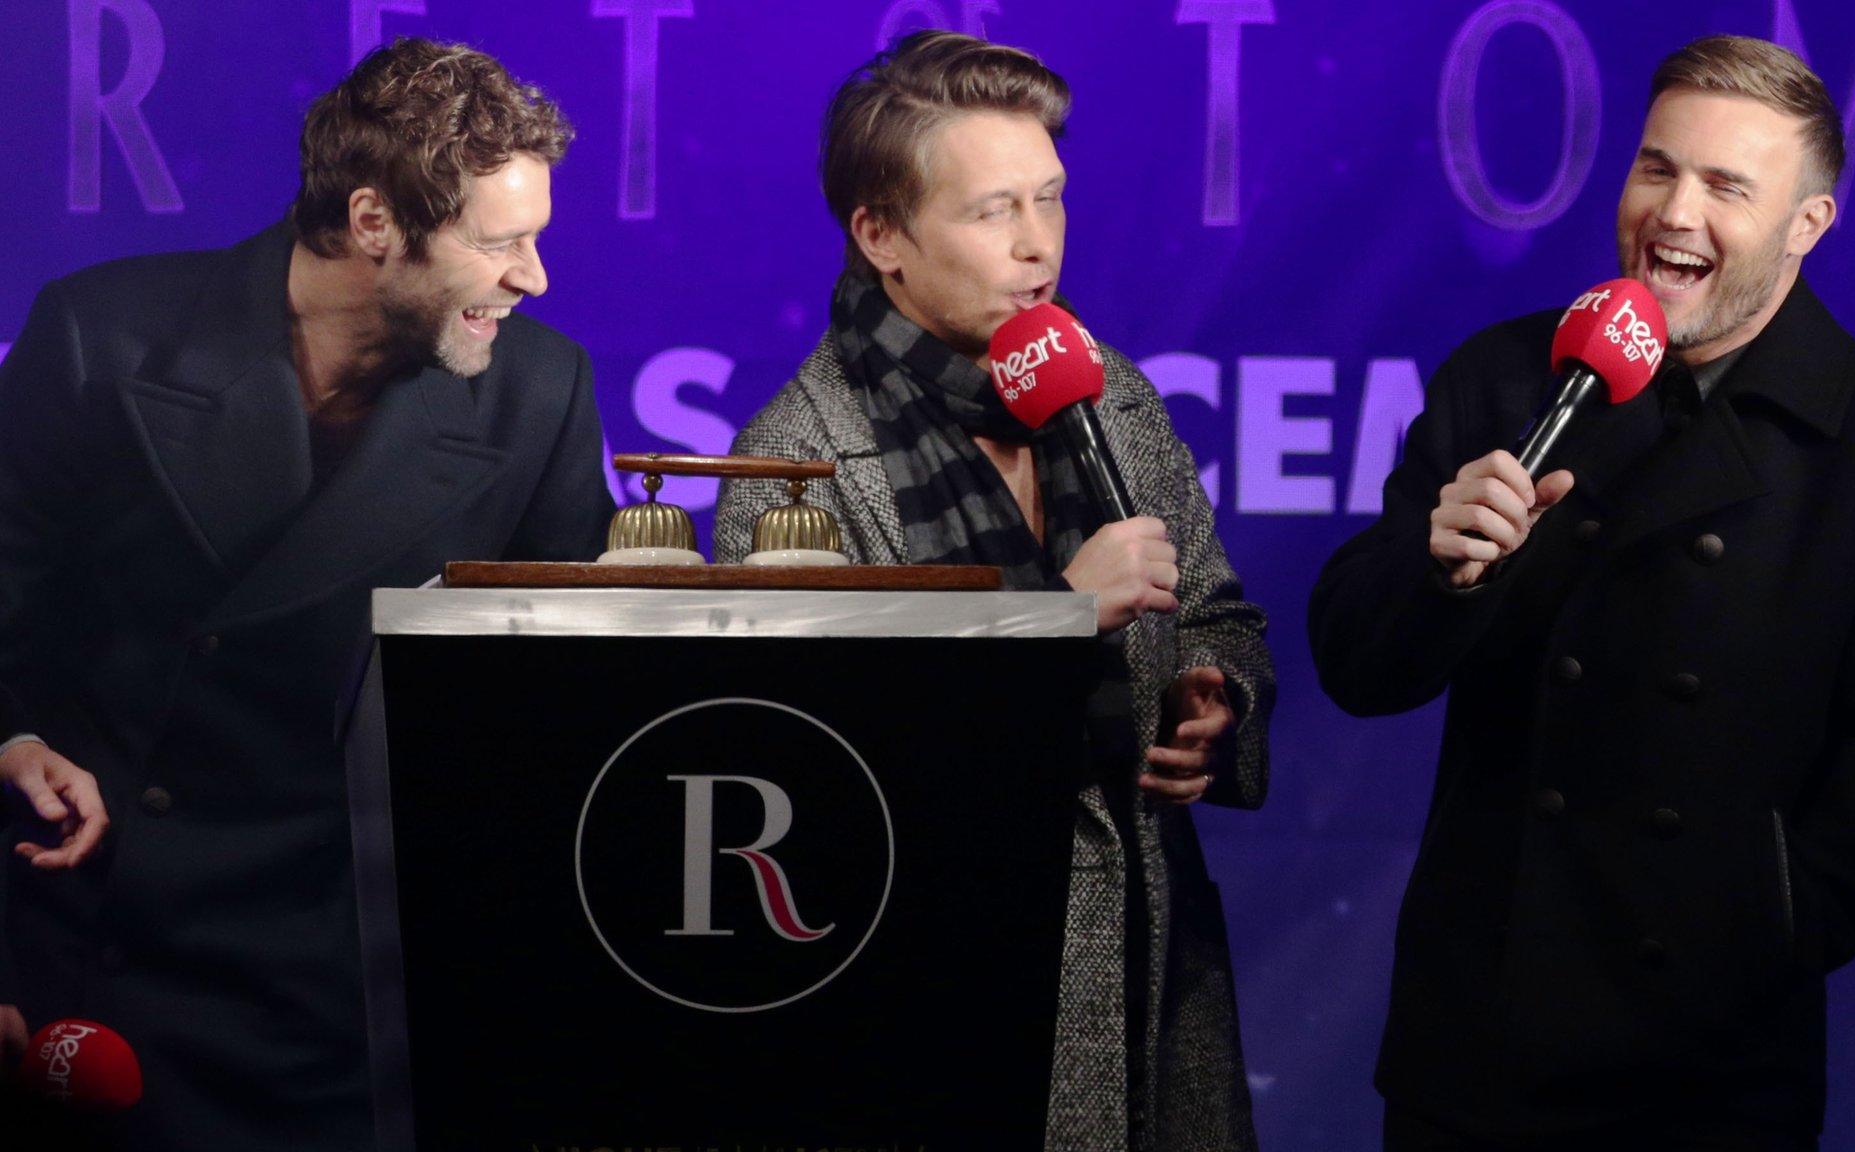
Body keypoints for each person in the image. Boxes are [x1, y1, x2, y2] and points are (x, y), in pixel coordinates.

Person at [1308, 35, 1855, 1151]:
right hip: (1475, 1051)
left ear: (1806, 225)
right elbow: (1354, 664)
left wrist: (1773, 913)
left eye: (1726, 186)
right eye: (1654, 168)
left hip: (1711, 1064)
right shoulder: (1501, 377)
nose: (1673, 215)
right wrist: (1434, 575)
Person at [0, 38, 612, 1149]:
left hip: (340, 987)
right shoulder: (101, 332)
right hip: (88, 952)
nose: (534, 278)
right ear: (374, 222)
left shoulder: (543, 393)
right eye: (499, 243)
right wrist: (12, 737)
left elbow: (561, 717)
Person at [714, 31, 1273, 1152]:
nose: (1036, 247)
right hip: (926, 1014)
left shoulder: (1108, 390)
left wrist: (1217, 701)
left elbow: (1218, 614)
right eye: (990, 213)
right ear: (881, 236)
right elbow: (816, 795)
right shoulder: (791, 465)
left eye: (1050, 200)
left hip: (1150, 988)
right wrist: (1054, 620)